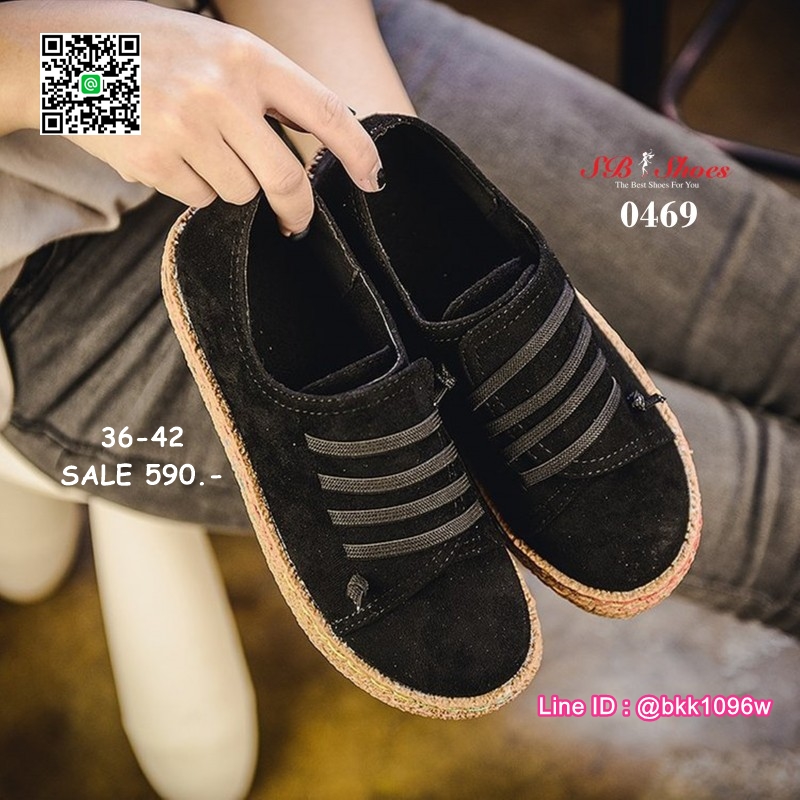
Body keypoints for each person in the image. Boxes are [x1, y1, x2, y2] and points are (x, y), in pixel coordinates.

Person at [1, 0, 799, 639]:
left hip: (267, 38)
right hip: (58, 267)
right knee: (777, 517)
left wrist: (389, 178)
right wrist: (76, 72)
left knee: (782, 294)